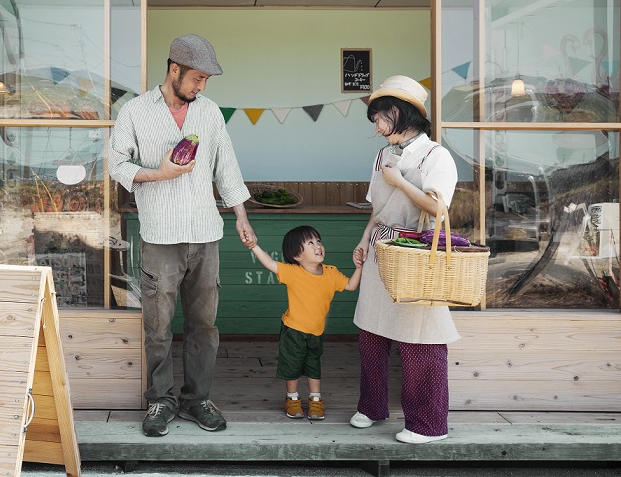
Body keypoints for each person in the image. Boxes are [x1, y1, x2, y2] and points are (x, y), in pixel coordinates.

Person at [109, 34, 257, 437]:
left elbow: (226, 166)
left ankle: (197, 399)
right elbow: (117, 164)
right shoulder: (135, 111)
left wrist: (241, 215)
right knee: (157, 325)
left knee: (204, 325)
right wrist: (159, 173)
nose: (201, 87)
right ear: (174, 70)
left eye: (206, 79)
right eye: (196, 78)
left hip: (206, 233)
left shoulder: (208, 113)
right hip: (159, 235)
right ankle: (160, 401)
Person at [349, 75, 460, 444]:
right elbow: (375, 209)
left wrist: (399, 181)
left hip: (415, 257)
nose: (377, 127)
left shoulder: (436, 156)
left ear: (399, 112)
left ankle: (428, 424)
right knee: (371, 333)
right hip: (381, 250)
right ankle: (372, 406)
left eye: (380, 118)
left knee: (419, 339)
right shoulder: (383, 155)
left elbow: (438, 208)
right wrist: (364, 242)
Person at [249, 226, 362, 420]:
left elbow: (351, 286)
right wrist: (254, 246)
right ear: (297, 255)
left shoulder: (331, 273)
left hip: (316, 332)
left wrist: (360, 267)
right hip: (293, 330)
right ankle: (292, 399)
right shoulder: (293, 272)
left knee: (313, 365)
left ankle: (315, 400)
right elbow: (270, 264)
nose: (318, 246)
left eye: (318, 241)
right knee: (292, 366)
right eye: (310, 243)